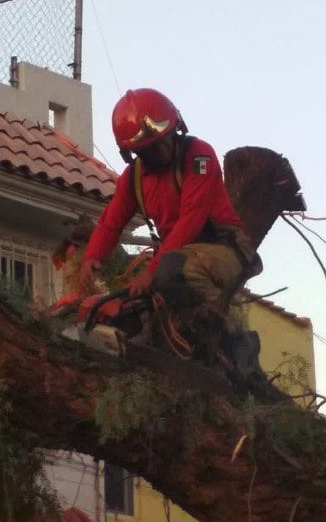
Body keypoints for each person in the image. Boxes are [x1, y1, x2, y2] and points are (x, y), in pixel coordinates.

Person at [78, 88, 261, 358]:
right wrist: (92, 257)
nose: (161, 150)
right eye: (150, 149)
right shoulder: (133, 179)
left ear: (176, 129)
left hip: (226, 248)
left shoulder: (199, 157)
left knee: (170, 271)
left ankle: (232, 336)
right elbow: (110, 222)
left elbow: (192, 221)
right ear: (134, 153)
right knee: (139, 302)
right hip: (179, 254)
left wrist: (151, 271)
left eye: (164, 141)